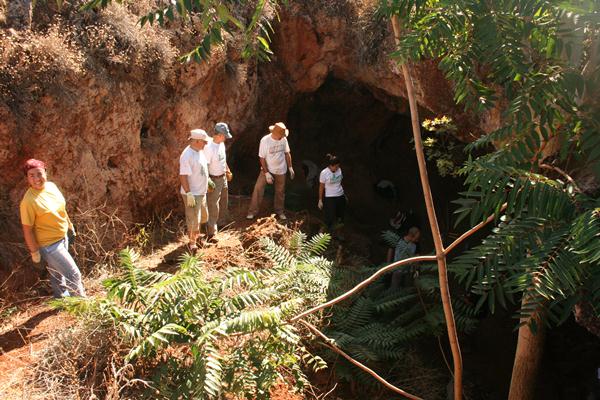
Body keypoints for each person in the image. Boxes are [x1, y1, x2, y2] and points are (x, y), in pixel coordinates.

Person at [19, 159, 86, 298]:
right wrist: (34, 252)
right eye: (32, 175)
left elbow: (61, 209)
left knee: (57, 273)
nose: (37, 179)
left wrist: (69, 226)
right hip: (50, 246)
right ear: (27, 178)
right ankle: (82, 304)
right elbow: (27, 230)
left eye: (39, 173)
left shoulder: (51, 187)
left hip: (62, 237)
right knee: (73, 274)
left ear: (45, 173)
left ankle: (61, 299)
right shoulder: (28, 201)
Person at [247, 122, 295, 220]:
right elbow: (262, 158)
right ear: (275, 133)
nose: (282, 137)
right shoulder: (265, 141)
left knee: (280, 191)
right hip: (267, 168)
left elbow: (287, 153)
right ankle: (252, 211)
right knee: (258, 188)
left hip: (281, 169)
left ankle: (279, 211)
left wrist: (290, 167)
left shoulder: (283, 139)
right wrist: (266, 173)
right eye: (281, 135)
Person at [179, 129, 212, 250]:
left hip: (201, 192)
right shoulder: (187, 155)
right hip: (193, 193)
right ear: (197, 141)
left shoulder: (199, 151)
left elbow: (201, 168)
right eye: (204, 142)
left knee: (203, 216)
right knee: (193, 219)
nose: (206, 144)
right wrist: (188, 193)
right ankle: (192, 244)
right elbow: (183, 176)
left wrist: (208, 180)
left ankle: (199, 239)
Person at [205, 122, 233, 241]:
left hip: (223, 177)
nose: (226, 138)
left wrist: (227, 170)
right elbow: (205, 165)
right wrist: (208, 180)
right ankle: (211, 231)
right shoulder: (209, 148)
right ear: (220, 135)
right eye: (225, 135)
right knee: (213, 204)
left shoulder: (221, 144)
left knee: (224, 200)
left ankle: (222, 222)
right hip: (214, 179)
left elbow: (223, 160)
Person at [317, 154, 346, 232]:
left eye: (338, 166)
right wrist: (320, 200)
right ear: (330, 165)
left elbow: (340, 182)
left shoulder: (339, 170)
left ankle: (337, 232)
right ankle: (323, 232)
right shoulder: (324, 173)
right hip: (330, 197)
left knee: (340, 215)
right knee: (329, 216)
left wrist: (344, 194)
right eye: (335, 167)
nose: (337, 168)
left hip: (340, 195)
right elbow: (321, 187)